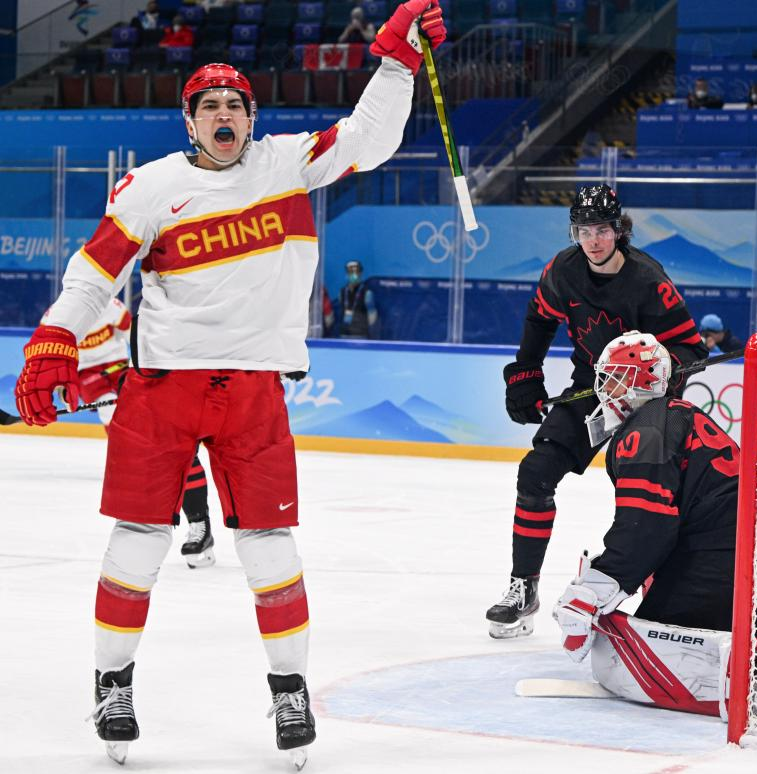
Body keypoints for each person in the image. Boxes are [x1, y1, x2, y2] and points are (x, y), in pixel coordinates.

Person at [12, 0, 447, 765]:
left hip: (252, 390)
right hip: (162, 387)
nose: (223, 114)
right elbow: (93, 274)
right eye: (208, 105)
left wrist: (395, 59)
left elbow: (372, 138)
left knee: (271, 548)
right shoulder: (149, 187)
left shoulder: (288, 164)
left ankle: (290, 694)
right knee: (139, 542)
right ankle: (111, 682)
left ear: (251, 118)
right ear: (189, 121)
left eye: (235, 105)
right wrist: (55, 336)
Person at [485, 185, 708, 639]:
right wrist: (526, 372)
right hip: (592, 389)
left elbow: (690, 347)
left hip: (648, 399)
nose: (593, 240)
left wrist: (661, 381)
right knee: (535, 474)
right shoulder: (563, 271)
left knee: (648, 500)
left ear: (618, 231)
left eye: (602, 229)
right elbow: (539, 317)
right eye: (583, 231)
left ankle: (667, 595)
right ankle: (523, 588)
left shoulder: (649, 281)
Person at [552, 332, 757, 710]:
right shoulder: (674, 415)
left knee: (639, 658)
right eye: (605, 377)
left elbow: (647, 525)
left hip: (734, 559)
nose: (605, 388)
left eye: (616, 377)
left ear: (645, 382)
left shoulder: (646, 431)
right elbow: (668, 524)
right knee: (666, 619)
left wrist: (594, 590)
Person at [41, 298, 216, 568]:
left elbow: (133, 335)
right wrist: (65, 386)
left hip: (122, 367)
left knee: (175, 443)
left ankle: (198, 524)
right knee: (113, 415)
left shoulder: (109, 304)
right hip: (87, 374)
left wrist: (140, 365)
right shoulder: (57, 317)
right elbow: (54, 362)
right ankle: (135, 465)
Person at [339, 260, 378, 338]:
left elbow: (372, 316)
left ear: (360, 273)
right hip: (344, 333)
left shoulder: (367, 293)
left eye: (356, 271)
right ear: (347, 274)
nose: (354, 274)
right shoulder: (342, 292)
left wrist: (365, 329)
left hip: (360, 334)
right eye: (350, 271)